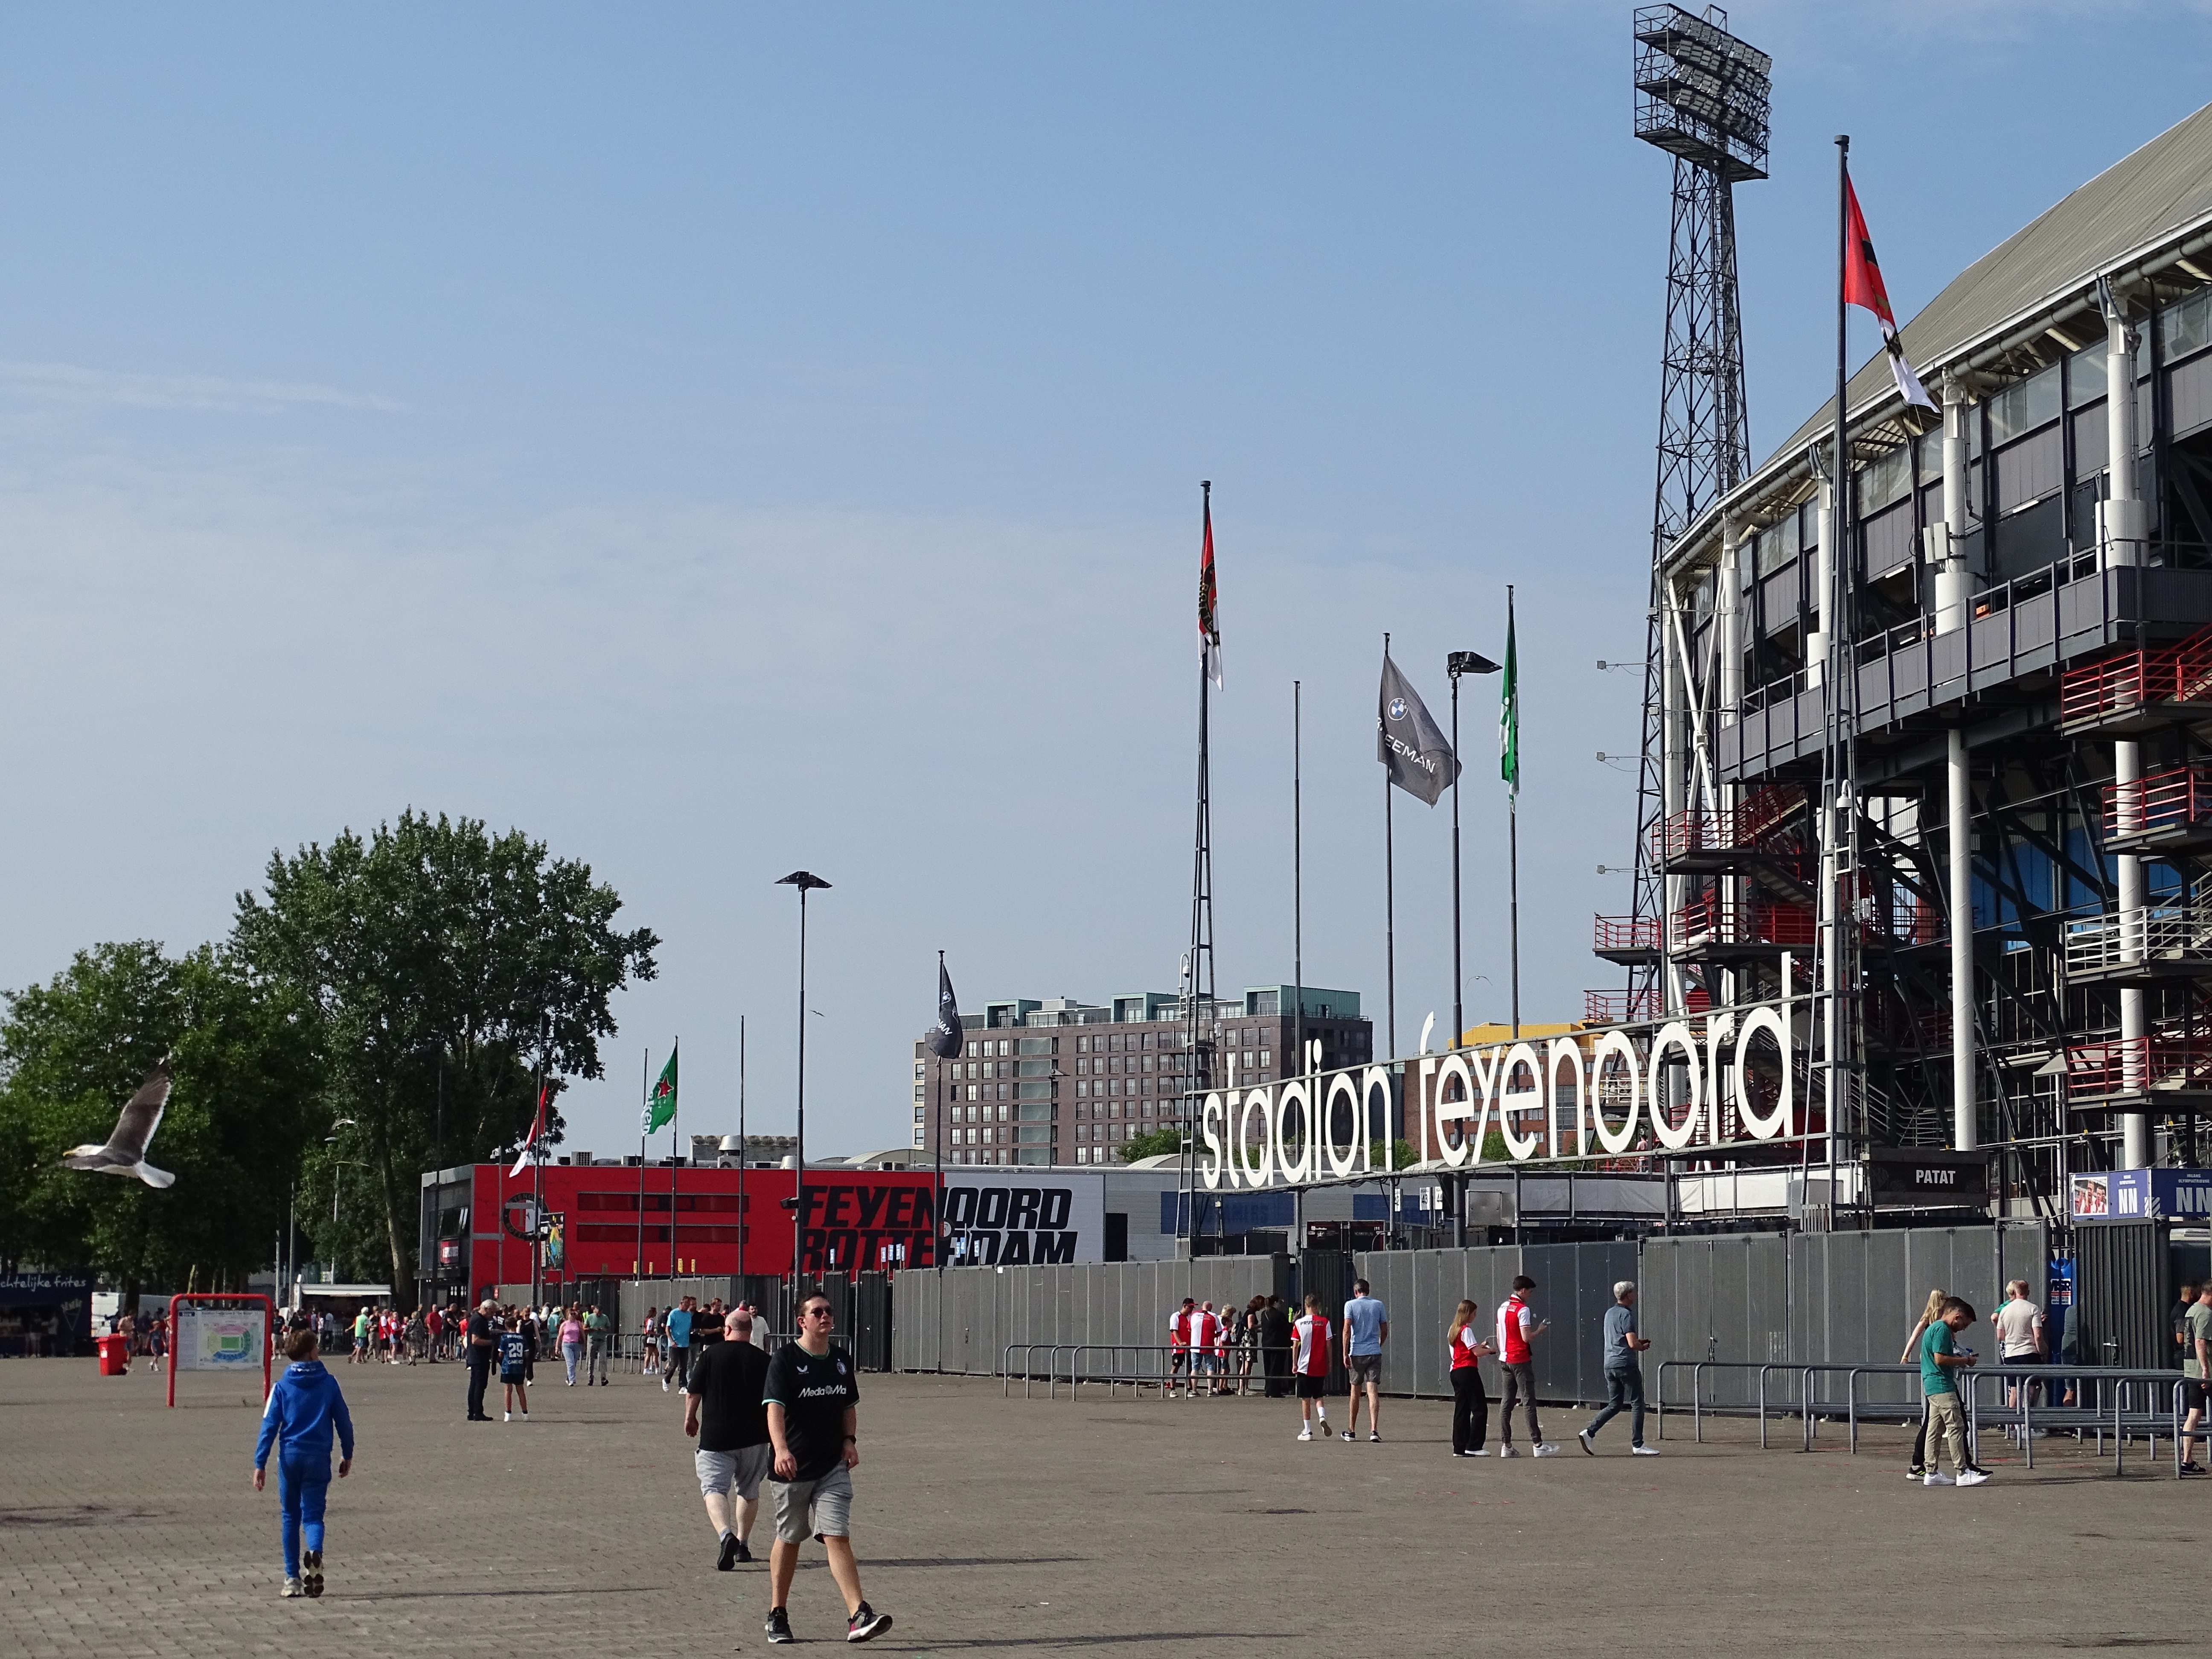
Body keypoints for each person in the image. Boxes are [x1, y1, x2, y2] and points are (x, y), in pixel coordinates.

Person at [761, 1292, 891, 1645]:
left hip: (832, 1465)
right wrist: (781, 1450)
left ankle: (859, 1614)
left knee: (837, 1536)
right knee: (791, 1538)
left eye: (828, 1311)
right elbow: (774, 1409)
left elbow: (848, 1404)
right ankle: (778, 1613)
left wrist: (850, 1439)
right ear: (801, 1321)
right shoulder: (785, 1360)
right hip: (793, 1467)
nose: (825, 1316)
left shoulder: (840, 1360)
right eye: (817, 1312)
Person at [253, 1325, 354, 1599]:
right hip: (319, 1457)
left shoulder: (282, 1386)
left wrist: (259, 1463)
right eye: (317, 1349)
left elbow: (269, 1425)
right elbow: (343, 1420)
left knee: (289, 1516)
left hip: (290, 1457)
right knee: (313, 1516)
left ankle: (291, 1578)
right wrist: (348, 1452)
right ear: (310, 1354)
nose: (319, 1352)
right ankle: (315, 1559)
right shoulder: (330, 1383)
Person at [687, 1307, 774, 1569]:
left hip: (717, 1437)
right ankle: (743, 1544)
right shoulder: (765, 1360)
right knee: (749, 1490)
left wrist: (690, 1418)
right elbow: (776, 1402)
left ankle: (726, 1535)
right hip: (755, 1437)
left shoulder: (710, 1356)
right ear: (751, 1330)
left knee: (713, 1489)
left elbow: (694, 1392)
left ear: (727, 1329)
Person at [1578, 1281, 1658, 1455]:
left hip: (1610, 1364)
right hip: (1626, 1364)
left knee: (1615, 1404)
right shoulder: (1626, 1315)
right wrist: (1641, 1346)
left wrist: (1637, 1342)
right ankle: (1638, 1444)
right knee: (1638, 1403)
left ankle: (1589, 1432)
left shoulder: (1610, 1314)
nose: (1635, 1295)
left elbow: (1620, 1339)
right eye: (1634, 1292)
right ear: (1628, 1295)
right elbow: (1631, 1343)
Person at [1920, 1295, 1986, 1486]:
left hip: (1932, 1385)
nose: (1964, 1328)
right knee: (1956, 1427)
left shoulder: (1933, 1328)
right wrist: (1966, 1361)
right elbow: (1940, 1359)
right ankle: (1963, 1472)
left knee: (1935, 1430)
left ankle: (1931, 1472)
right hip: (1942, 1385)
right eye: (1965, 1323)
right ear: (1957, 1317)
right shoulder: (1942, 1329)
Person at [1495, 1275, 1557, 1457]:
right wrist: (1540, 1330)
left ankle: (1506, 1445)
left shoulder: (1502, 1308)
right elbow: (1526, 1337)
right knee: (1529, 1401)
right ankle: (1538, 1444)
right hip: (1520, 1360)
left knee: (1507, 1402)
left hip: (1505, 1359)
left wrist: (1503, 1353)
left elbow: (1499, 1336)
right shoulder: (1523, 1310)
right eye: (1529, 1291)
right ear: (1522, 1291)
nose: (1530, 1295)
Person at [1901, 1288, 1947, 1479]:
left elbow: (1916, 1337)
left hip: (1931, 1366)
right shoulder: (1934, 1320)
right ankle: (1919, 1463)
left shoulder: (1935, 1319)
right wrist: (1905, 1355)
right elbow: (1915, 1335)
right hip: (1934, 1369)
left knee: (1933, 1417)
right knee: (1932, 1419)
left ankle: (1920, 1463)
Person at [1339, 1279, 1389, 1442]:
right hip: (1374, 1352)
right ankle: (1374, 1430)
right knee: (1372, 1392)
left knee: (1355, 1392)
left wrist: (1345, 1353)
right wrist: (1379, 1343)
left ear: (1356, 1292)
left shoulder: (1350, 1306)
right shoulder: (1378, 1305)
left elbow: (1347, 1329)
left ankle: (1352, 1431)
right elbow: (1384, 1329)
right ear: (1368, 1290)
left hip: (1357, 1353)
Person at [1446, 1299, 1495, 1457]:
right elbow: (1476, 1353)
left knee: (1462, 1410)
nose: (1475, 1316)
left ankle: (1459, 1447)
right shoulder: (1466, 1330)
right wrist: (1489, 1350)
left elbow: (1466, 1349)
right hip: (1468, 1371)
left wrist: (1479, 1346)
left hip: (1455, 1371)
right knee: (1480, 1408)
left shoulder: (1453, 1330)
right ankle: (1474, 1445)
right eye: (1474, 1313)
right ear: (1468, 1314)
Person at [1992, 1279, 2046, 1409]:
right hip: (2029, 1353)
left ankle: (2010, 1425)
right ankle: (2026, 1423)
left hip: (2011, 1354)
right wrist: (2042, 1350)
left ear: (2015, 1292)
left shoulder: (2004, 1310)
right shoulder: (2033, 1308)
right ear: (2028, 1291)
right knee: (2032, 1387)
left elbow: (2000, 1336)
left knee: (2014, 1390)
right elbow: (2038, 1335)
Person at [2180, 1281, 2212, 1475]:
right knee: (2195, 1413)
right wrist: (2206, 1370)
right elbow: (2200, 1341)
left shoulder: (2191, 1311)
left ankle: (2187, 1460)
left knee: (2194, 1413)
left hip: (2190, 1369)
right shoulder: (2207, 1314)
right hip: (2205, 1373)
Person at [1291, 1294, 1332, 1441]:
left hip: (1304, 1366)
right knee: (1319, 1396)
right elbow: (1329, 1344)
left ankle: (1307, 1431)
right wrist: (1330, 1362)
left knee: (1305, 1399)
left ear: (1306, 1307)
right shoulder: (1325, 1322)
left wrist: (1294, 1364)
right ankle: (1322, 1416)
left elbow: (1295, 1345)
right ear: (1317, 1307)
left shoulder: (1299, 1323)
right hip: (1320, 1364)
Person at [464, 1298, 498, 1422]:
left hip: (476, 1357)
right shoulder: (479, 1320)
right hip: (479, 1357)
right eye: (492, 1312)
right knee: (479, 1385)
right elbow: (475, 1340)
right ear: (486, 1309)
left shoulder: (478, 1319)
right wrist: (491, 1343)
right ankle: (477, 1412)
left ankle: (472, 1412)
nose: (493, 1315)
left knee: (475, 1385)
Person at [1259, 1295, 1293, 1399]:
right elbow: (1287, 1328)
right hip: (1278, 1344)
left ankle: (1268, 1390)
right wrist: (1294, 1321)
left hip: (1266, 1343)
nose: (1280, 1305)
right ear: (1275, 1303)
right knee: (1277, 1368)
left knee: (1268, 1367)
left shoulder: (1264, 1314)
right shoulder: (1279, 1315)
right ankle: (1275, 1391)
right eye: (1279, 1303)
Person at [499, 1313, 531, 1422]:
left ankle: (508, 1413)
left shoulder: (504, 1338)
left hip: (507, 1366)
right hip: (519, 1367)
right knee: (521, 1389)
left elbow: (501, 1354)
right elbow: (527, 1354)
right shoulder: (522, 1338)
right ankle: (525, 1413)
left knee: (508, 1390)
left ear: (507, 1326)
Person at [665, 1295, 696, 1394]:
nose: (688, 1306)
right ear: (682, 1303)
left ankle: (683, 1386)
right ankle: (666, 1380)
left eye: (689, 1304)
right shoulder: (674, 1313)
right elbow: (667, 1329)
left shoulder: (688, 1315)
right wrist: (672, 1340)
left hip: (685, 1343)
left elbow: (689, 1327)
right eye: (687, 1304)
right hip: (675, 1344)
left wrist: (694, 1331)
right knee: (674, 1364)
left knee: (684, 1366)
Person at [1167, 1297, 1196, 1398]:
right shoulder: (1175, 1316)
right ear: (1184, 1306)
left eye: (1193, 1308)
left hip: (1189, 1347)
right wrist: (1180, 1343)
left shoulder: (1189, 1317)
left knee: (1190, 1368)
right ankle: (1172, 1388)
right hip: (1179, 1347)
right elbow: (1174, 1331)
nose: (1192, 1310)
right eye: (1190, 1307)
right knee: (1176, 1367)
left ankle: (1189, 1388)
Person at [586, 1304, 612, 1385]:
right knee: (591, 1360)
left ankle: (603, 1378)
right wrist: (592, 1329)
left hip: (602, 1341)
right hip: (592, 1340)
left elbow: (609, 1329)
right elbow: (584, 1328)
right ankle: (591, 1377)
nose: (599, 1315)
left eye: (600, 1313)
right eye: (597, 1313)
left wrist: (604, 1330)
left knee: (603, 1359)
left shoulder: (605, 1318)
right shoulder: (590, 1317)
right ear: (595, 1311)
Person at [560, 1307, 585, 1387]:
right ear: (568, 1315)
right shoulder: (564, 1324)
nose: (574, 1316)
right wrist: (557, 1347)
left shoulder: (578, 1323)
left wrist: (584, 1344)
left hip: (577, 1344)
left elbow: (582, 1334)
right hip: (567, 1345)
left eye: (575, 1314)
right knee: (570, 1363)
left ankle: (568, 1377)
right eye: (572, 1314)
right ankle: (572, 1380)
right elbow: (560, 1336)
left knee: (574, 1363)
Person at [643, 1306, 660, 1374]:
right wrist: (656, 1334)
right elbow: (648, 1330)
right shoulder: (651, 1321)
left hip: (649, 1338)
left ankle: (657, 1369)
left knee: (656, 1354)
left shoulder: (647, 1320)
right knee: (649, 1354)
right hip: (650, 1338)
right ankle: (646, 1369)